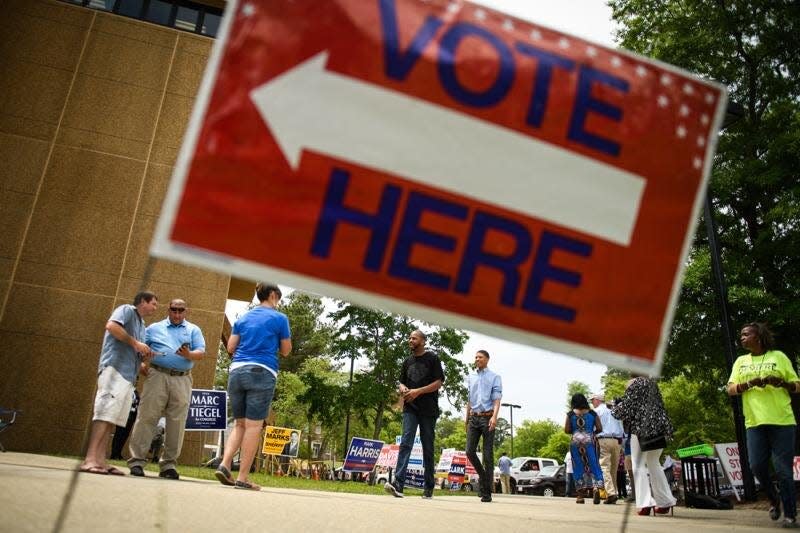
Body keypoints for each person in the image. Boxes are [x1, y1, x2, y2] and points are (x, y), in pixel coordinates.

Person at [214, 283, 291, 491]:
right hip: (262, 371)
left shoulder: (243, 318)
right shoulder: (279, 318)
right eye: (279, 298)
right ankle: (242, 477)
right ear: (273, 295)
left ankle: (224, 464)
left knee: (240, 424)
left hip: (237, 371)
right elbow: (286, 350)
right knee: (254, 426)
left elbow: (230, 347)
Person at [727, 322, 800, 528]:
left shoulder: (779, 357)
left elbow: (797, 386)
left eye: (745, 334)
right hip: (754, 422)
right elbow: (731, 389)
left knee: (783, 470)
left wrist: (781, 382)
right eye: (741, 335)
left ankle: (790, 515)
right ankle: (774, 498)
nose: (741, 338)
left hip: (782, 421)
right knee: (757, 466)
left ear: (758, 336)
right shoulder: (741, 361)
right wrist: (750, 383)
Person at [78, 291, 158, 475]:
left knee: (111, 418)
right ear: (143, 302)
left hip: (128, 376)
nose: (155, 308)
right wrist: (136, 343)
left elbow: (132, 347)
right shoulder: (127, 310)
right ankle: (89, 459)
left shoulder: (142, 324)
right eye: (153, 303)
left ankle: (100, 461)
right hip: (114, 370)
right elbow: (112, 326)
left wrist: (142, 361)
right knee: (104, 413)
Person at [127, 299, 206, 479]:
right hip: (157, 375)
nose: (177, 314)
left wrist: (188, 354)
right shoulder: (155, 328)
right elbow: (137, 347)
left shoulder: (194, 330)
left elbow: (201, 353)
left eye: (181, 310)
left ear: (186, 311)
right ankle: (137, 461)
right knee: (147, 416)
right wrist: (140, 364)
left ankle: (168, 465)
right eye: (173, 310)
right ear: (168, 310)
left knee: (177, 422)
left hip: (182, 378)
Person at [384, 330, 444, 499]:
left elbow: (439, 382)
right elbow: (401, 381)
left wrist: (418, 391)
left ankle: (428, 488)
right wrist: (402, 388)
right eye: (409, 338)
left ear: (423, 341)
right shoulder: (407, 361)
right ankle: (398, 484)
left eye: (414, 338)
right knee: (405, 443)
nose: (410, 340)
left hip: (429, 409)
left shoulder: (432, 358)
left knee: (428, 447)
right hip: (410, 408)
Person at [612, 376, 676, 516]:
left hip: (641, 429)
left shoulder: (635, 385)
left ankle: (645, 503)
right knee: (654, 464)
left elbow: (623, 411)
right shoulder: (653, 385)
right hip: (659, 428)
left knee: (638, 464)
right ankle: (665, 501)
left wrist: (615, 406)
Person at [464, 350, 502, 502]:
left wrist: (494, 416)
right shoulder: (471, 377)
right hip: (474, 418)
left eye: (480, 357)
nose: (477, 359)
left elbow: (497, 399)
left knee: (487, 455)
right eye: (475, 357)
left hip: (487, 418)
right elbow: (469, 399)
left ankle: (486, 492)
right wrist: (466, 418)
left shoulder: (494, 377)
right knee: (469, 451)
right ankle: (484, 477)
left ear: (487, 359)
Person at [565, 393, 605, 504]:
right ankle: (596, 488)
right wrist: (591, 433)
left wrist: (575, 431)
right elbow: (600, 428)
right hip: (590, 441)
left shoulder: (570, 414)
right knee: (594, 464)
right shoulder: (592, 413)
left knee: (578, 467)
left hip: (575, 443)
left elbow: (566, 430)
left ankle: (580, 496)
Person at [590, 392, 624, 504]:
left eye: (592, 400)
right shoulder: (614, 410)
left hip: (603, 439)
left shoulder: (597, 411)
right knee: (613, 469)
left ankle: (611, 493)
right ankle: (612, 493)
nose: (591, 402)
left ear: (598, 400)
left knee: (604, 467)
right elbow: (621, 426)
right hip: (617, 440)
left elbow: (592, 427)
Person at [110, 389, 139, 460]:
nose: (136, 381)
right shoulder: (126, 389)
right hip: (123, 414)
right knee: (118, 434)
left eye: (137, 379)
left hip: (131, 416)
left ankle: (119, 453)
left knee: (125, 435)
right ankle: (114, 454)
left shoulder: (136, 392)